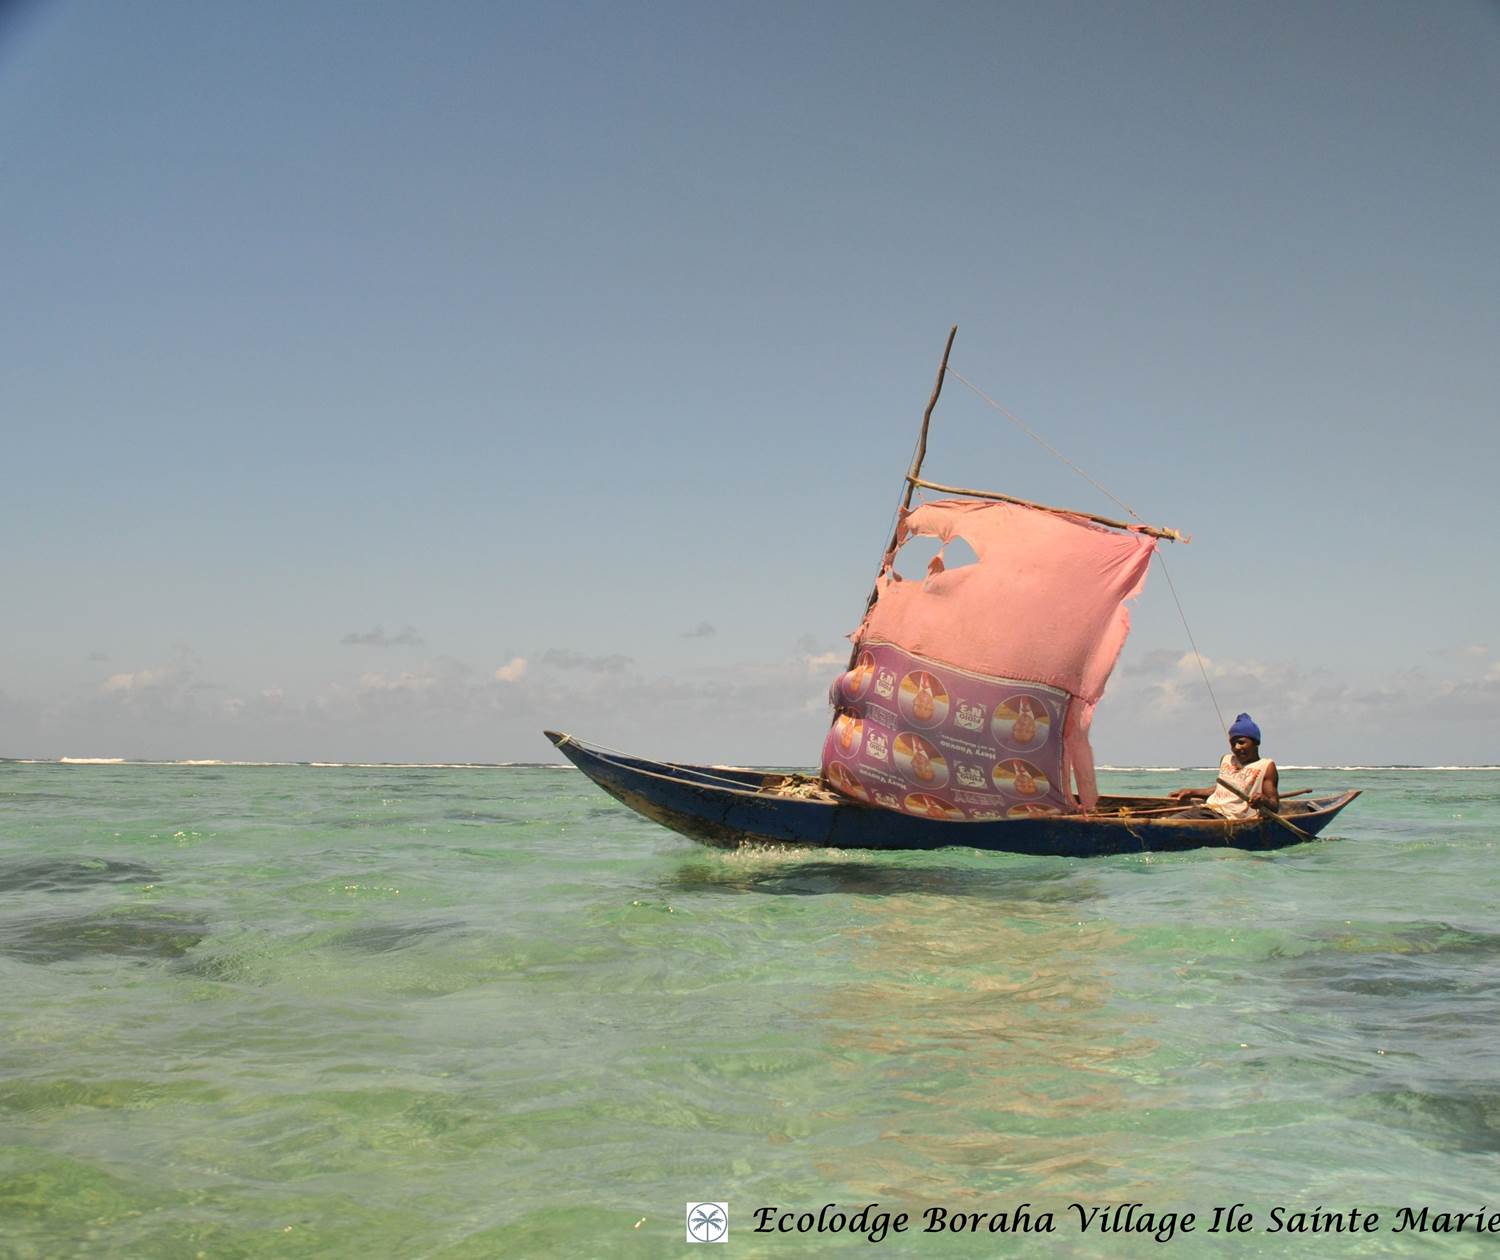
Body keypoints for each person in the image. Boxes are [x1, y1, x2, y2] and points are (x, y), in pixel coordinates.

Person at [1169, 713, 1279, 819]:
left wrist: (1263, 800)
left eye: (1241, 742)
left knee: (1172, 822)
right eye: (1233, 744)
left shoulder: (1266, 766)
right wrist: (1192, 792)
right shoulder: (1226, 760)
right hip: (1209, 810)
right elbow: (1221, 790)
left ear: (1255, 742)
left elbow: (1274, 806)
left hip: (1232, 817)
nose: (1236, 747)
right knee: (1169, 820)